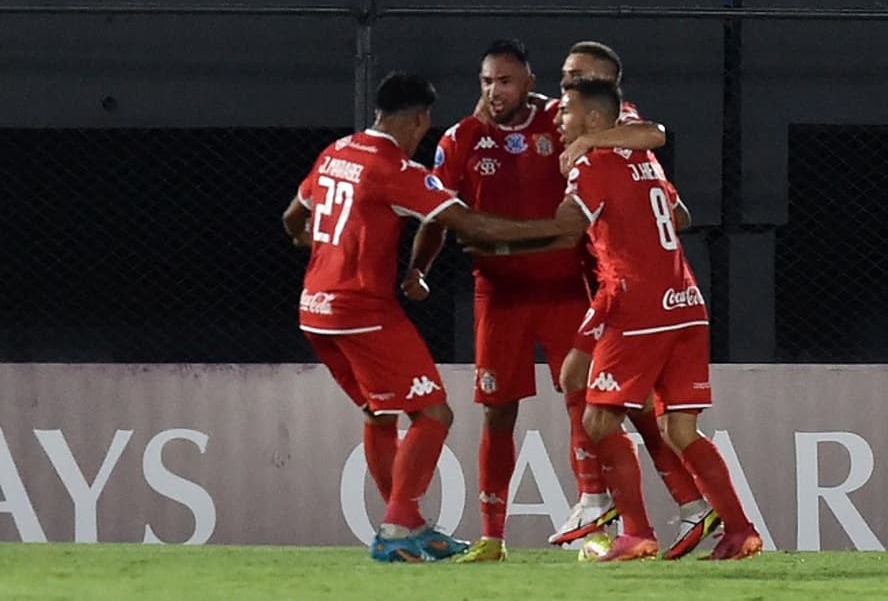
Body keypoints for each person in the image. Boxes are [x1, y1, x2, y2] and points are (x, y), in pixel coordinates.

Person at [282, 71, 568, 563]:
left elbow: (292, 218)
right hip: (361, 310)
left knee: (379, 408)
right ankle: (396, 529)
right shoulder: (396, 169)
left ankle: (409, 522)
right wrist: (553, 229)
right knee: (434, 413)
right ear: (420, 119)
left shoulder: (336, 152)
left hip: (315, 310)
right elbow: (466, 221)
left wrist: (315, 241)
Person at [403, 39, 665, 563]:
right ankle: (493, 536)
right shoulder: (461, 138)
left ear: (528, 82)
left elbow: (649, 133)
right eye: (485, 82)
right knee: (497, 413)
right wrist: (417, 269)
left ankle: (598, 512)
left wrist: (589, 145)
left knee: (585, 401)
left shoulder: (563, 118)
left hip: (568, 288)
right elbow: (436, 213)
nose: (494, 92)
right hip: (498, 296)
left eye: (504, 81)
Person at [523, 77, 763, 561]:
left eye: (566, 111)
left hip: (640, 308)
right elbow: (678, 217)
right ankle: (740, 530)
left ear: (594, 118)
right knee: (681, 430)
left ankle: (636, 533)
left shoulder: (591, 163)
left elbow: (572, 221)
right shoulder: (643, 156)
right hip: (686, 303)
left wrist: (521, 231)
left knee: (598, 418)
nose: (559, 119)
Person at [548, 41, 720, 561]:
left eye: (576, 77)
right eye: (564, 76)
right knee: (590, 386)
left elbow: (658, 136)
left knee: (592, 389)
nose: (564, 88)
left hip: (626, 288)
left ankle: (613, 507)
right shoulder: (579, 123)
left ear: (605, 83)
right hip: (611, 279)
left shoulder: (621, 127)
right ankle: (677, 505)